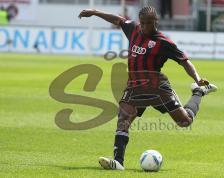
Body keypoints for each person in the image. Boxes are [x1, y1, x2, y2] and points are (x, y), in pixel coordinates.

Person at [79, 6, 217, 170]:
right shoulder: (133, 29)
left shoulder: (163, 42)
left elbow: (184, 61)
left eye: (148, 23)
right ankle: (118, 162)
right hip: (135, 86)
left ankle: (198, 92)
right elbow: (118, 20)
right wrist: (95, 12)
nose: (144, 27)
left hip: (157, 88)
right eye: (142, 23)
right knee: (123, 120)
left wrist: (198, 79)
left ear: (155, 22)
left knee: (184, 121)